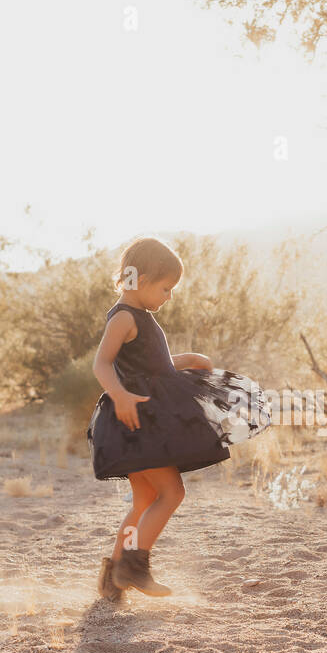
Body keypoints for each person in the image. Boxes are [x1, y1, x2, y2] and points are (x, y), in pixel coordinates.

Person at [88, 236, 270, 600]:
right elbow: (102, 363)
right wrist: (119, 394)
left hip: (143, 422)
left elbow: (152, 366)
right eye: (166, 287)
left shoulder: (142, 318)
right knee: (171, 492)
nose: (169, 296)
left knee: (143, 501)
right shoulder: (124, 317)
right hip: (137, 420)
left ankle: (113, 576)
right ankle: (134, 567)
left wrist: (185, 361)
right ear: (140, 280)